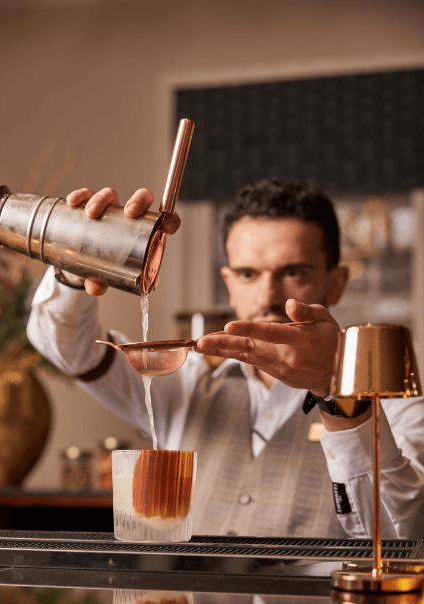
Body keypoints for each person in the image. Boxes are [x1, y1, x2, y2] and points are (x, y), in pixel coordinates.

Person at [27, 179, 424, 539]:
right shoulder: (183, 379)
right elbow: (69, 349)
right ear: (229, 284)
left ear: (335, 283)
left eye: (293, 273)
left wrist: (335, 388)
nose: (268, 296)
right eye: (248, 274)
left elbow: (404, 530)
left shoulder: (393, 390)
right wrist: (73, 267)